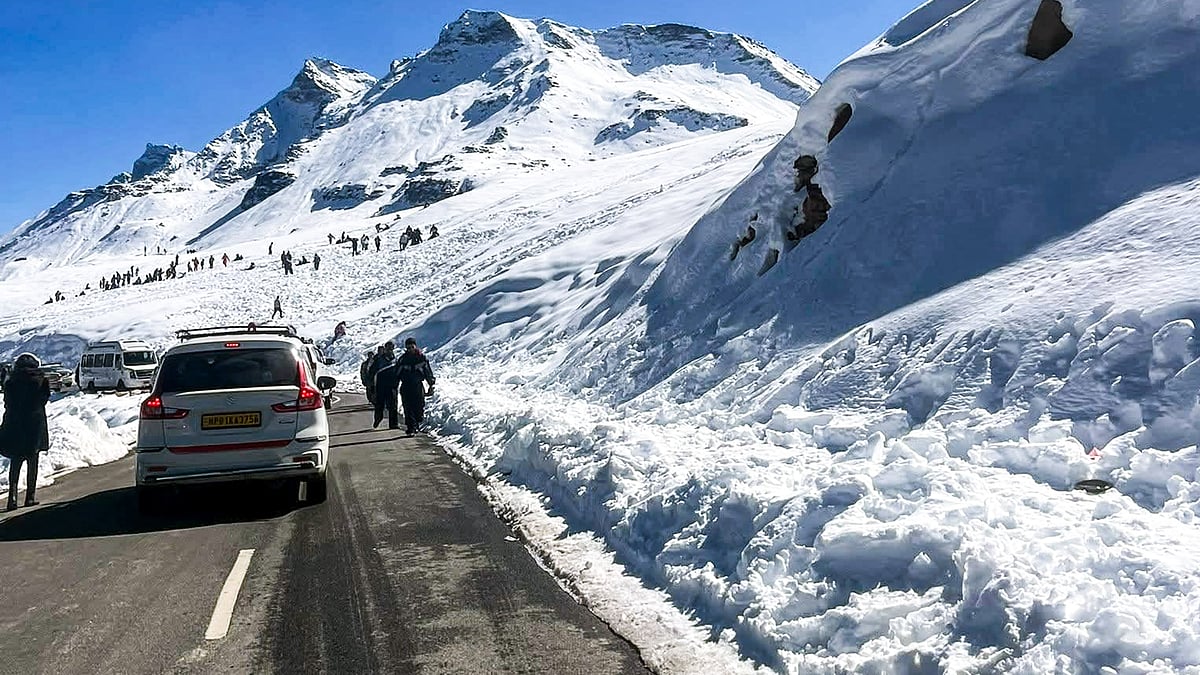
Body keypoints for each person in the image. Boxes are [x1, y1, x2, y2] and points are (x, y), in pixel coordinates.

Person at [2, 353, 51, 510]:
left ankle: (12, 498)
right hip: (34, 425)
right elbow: (44, 399)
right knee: (32, 461)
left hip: (15, 424)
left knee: (15, 462)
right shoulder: (41, 380)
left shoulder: (11, 381)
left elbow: (7, 401)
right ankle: (30, 497)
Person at [394, 338, 435, 436]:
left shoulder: (421, 358)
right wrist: (394, 384)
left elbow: (427, 372)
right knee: (408, 408)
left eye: (412, 347)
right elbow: (396, 373)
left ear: (415, 346)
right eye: (408, 348)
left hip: (417, 386)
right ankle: (411, 428)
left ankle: (416, 423)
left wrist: (431, 384)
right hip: (406, 386)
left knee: (419, 407)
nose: (410, 349)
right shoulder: (403, 359)